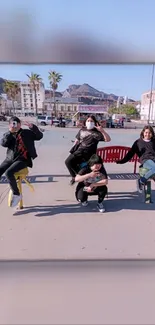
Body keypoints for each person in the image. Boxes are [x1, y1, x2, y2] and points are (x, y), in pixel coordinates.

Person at [0, 116, 43, 207]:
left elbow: (39, 136)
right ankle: (14, 189)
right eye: (13, 124)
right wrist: (10, 132)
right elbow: (3, 143)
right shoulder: (9, 134)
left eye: (17, 123)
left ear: (20, 124)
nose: (15, 126)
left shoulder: (27, 133)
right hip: (10, 158)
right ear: (10, 125)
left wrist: (32, 127)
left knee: (8, 173)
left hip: (23, 159)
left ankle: (17, 194)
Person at [65, 115, 111, 185]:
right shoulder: (82, 130)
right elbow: (77, 140)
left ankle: (85, 179)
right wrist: (72, 150)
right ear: (85, 122)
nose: (89, 122)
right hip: (79, 151)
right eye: (88, 121)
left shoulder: (97, 132)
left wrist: (102, 131)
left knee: (88, 166)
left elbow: (108, 140)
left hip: (90, 154)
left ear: (95, 122)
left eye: (91, 121)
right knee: (68, 162)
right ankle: (74, 177)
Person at [116, 125, 155, 192]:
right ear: (143, 132)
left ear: (152, 133)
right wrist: (121, 161)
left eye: (149, 133)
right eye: (146, 132)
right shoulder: (138, 142)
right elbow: (130, 154)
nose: (147, 134)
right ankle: (141, 181)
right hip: (146, 160)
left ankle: (147, 194)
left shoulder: (154, 141)